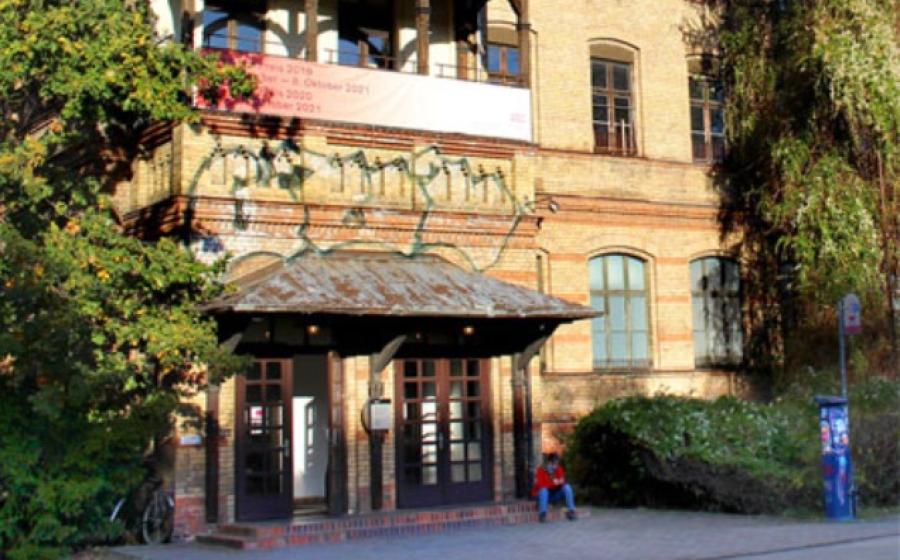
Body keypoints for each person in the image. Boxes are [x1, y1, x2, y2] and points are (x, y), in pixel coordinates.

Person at [531, 452, 576, 522]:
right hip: (543, 495)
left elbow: (562, 481)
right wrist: (554, 483)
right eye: (555, 464)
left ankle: (571, 511)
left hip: (554, 494)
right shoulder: (541, 470)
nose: (556, 466)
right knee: (544, 490)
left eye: (557, 463)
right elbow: (541, 485)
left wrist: (559, 482)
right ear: (549, 462)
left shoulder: (558, 468)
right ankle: (542, 514)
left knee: (567, 487)